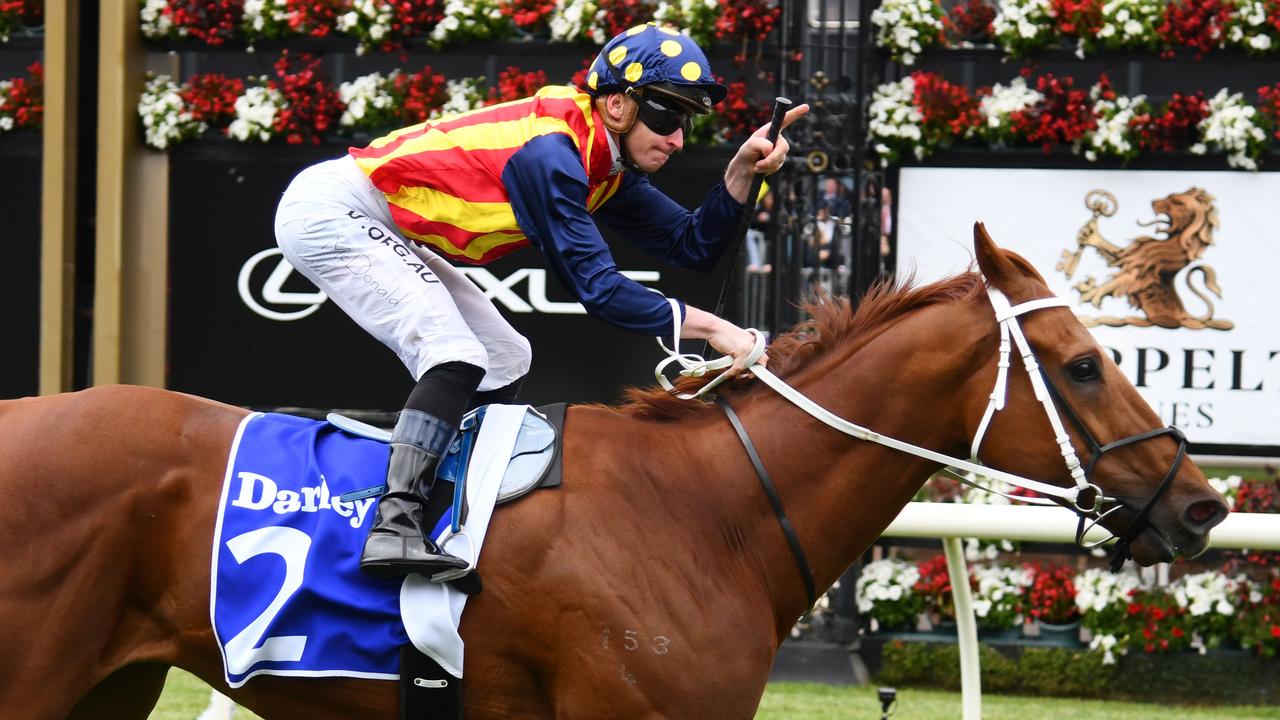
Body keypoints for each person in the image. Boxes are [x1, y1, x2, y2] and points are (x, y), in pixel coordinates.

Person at [274, 23, 809, 581]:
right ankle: (394, 523)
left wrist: (742, 170)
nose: (677, 139)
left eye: (685, 122)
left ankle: (452, 505)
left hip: (380, 220)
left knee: (506, 357)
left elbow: (692, 246)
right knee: (455, 353)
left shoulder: (600, 158)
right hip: (334, 212)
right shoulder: (552, 154)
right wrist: (716, 329)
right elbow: (599, 290)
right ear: (620, 106)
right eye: (668, 117)